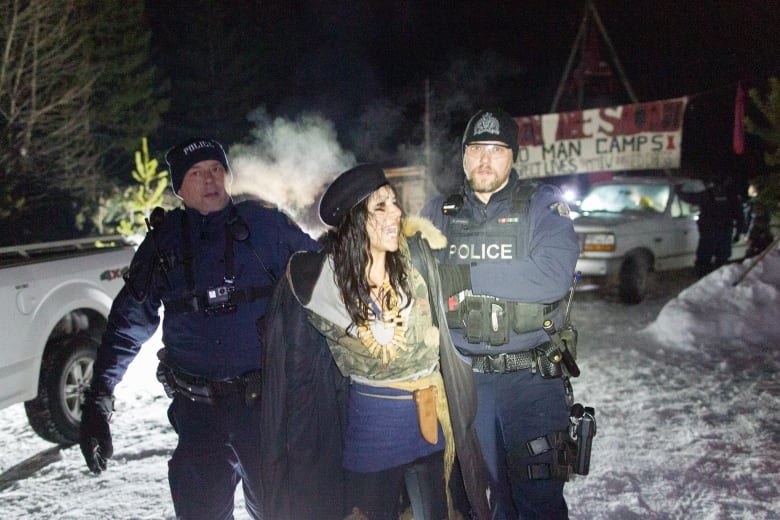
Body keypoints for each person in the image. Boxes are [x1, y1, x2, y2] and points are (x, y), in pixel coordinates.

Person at [78, 137, 319, 519]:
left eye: (216, 170)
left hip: (266, 410)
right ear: (179, 188)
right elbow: (127, 324)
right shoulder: (163, 243)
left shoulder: (264, 226)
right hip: (197, 414)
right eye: (196, 173)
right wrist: (98, 400)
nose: (210, 180)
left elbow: (324, 275)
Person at [260, 163, 491, 520]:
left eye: (394, 202)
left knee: (437, 512)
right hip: (375, 430)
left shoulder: (415, 258)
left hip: (430, 423)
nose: (397, 212)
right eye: (380, 206)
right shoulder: (323, 283)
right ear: (354, 222)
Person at [420, 108, 582, 519]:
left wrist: (464, 275)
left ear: (513, 156)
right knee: (472, 502)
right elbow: (408, 277)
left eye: (496, 149)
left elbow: (552, 276)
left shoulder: (541, 206)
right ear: (463, 156)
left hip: (531, 382)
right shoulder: (439, 213)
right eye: (476, 149)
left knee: (537, 501)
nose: (485, 160)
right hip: (462, 385)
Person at [678, 177, 746, 276]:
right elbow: (740, 216)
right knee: (721, 260)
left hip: (710, 233)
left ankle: (706, 281)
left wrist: (678, 191)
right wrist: (739, 232)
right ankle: (717, 280)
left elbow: (690, 198)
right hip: (724, 232)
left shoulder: (708, 194)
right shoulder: (731, 196)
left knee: (705, 260)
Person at [743, 181, 775, 258]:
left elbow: (751, 221)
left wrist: (748, 236)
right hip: (763, 232)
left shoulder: (753, 204)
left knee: (752, 256)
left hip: (756, 233)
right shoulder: (764, 203)